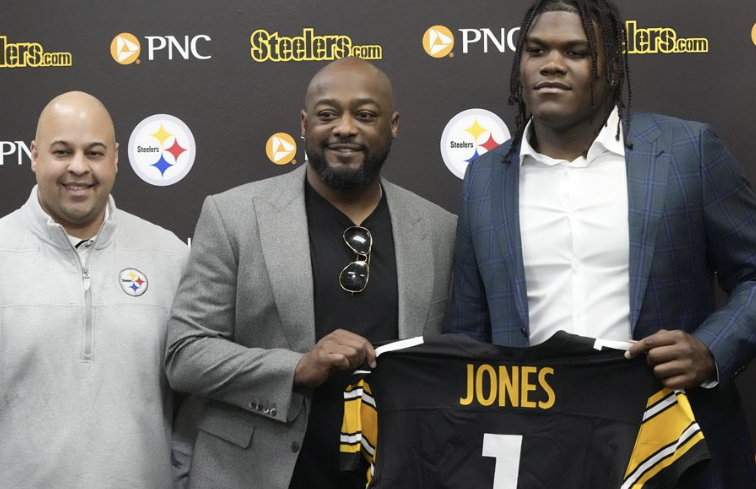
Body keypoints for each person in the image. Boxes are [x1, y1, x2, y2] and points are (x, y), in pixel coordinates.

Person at [446, 0, 756, 489]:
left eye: (576, 51)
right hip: (533, 451)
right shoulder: (484, 178)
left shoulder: (685, 152)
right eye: (536, 50)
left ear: (610, 70)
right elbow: (469, 332)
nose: (551, 64)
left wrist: (710, 349)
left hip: (669, 443)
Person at [165, 57, 457, 489]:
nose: (344, 128)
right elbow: (185, 356)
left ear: (392, 125)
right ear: (304, 124)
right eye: (326, 114)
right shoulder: (233, 215)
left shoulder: (439, 229)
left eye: (364, 115)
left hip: (398, 473)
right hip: (258, 474)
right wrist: (297, 368)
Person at [0, 91, 190, 488]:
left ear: (116, 158)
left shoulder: (170, 255)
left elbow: (198, 402)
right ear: (34, 155)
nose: (79, 167)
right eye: (62, 152)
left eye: (95, 152)